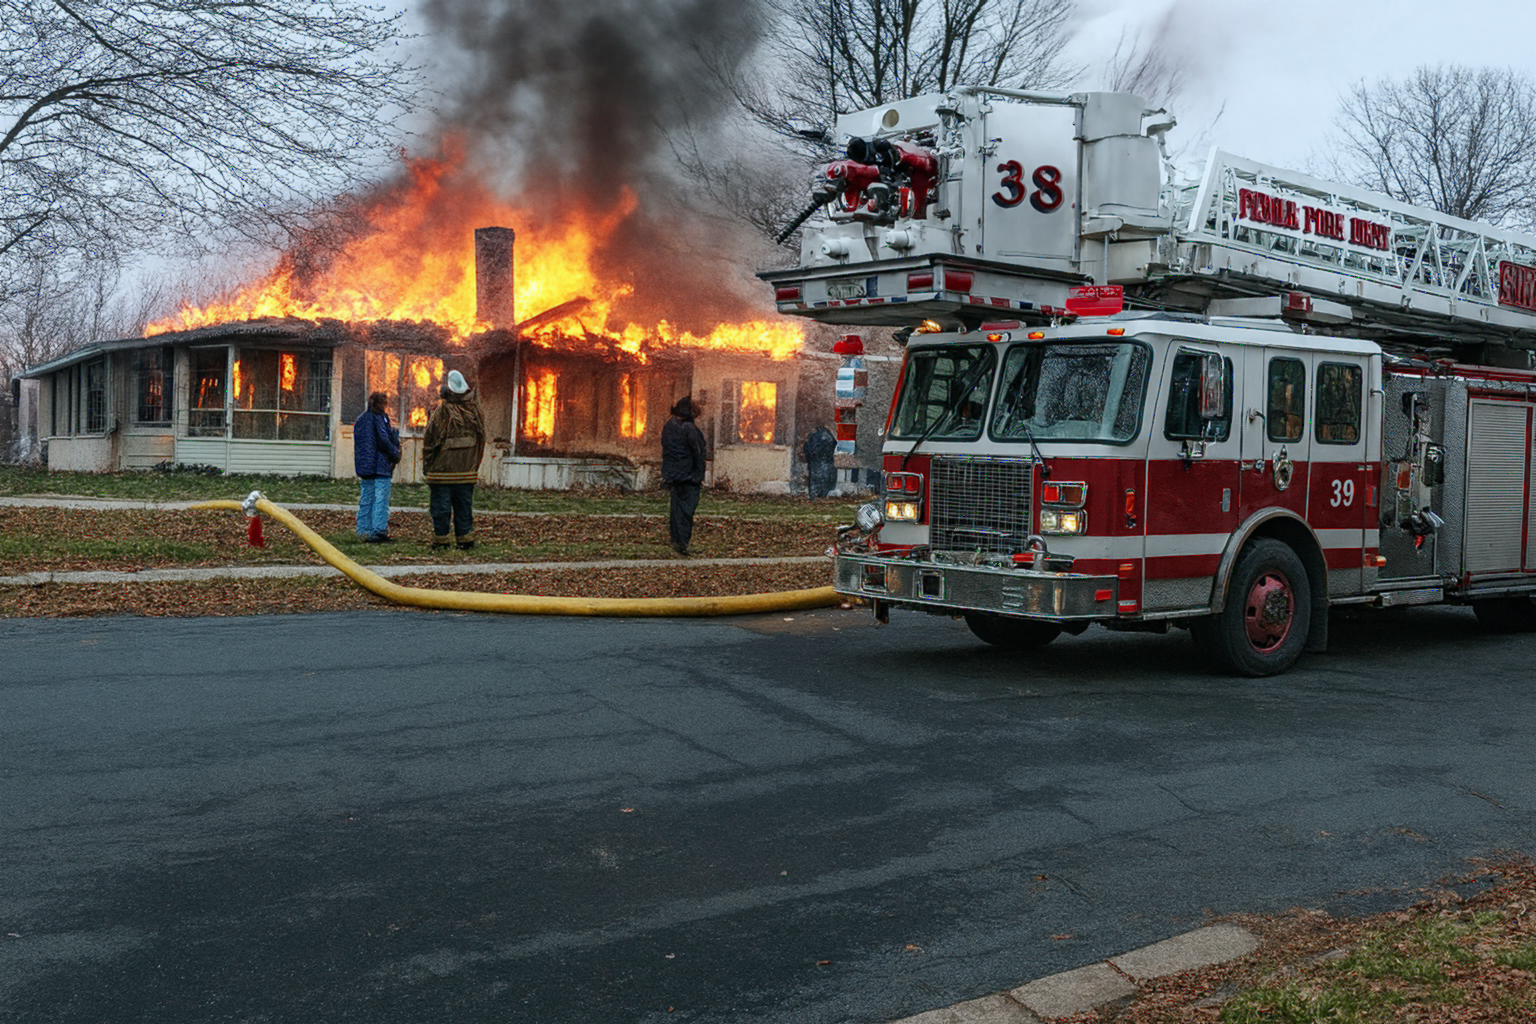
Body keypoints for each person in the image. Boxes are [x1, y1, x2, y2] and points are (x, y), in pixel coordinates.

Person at [423, 369, 487, 550]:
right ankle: (464, 539)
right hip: (465, 472)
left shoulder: (441, 412)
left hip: (442, 473)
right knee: (463, 507)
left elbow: (430, 440)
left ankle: (442, 541)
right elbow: (481, 440)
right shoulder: (475, 411)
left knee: (442, 509)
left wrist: (428, 466)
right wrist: (475, 464)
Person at [660, 395, 706, 555]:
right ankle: (682, 544)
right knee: (686, 511)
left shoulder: (669, 426)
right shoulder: (689, 429)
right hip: (689, 477)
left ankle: (677, 541)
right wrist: (699, 475)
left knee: (676, 510)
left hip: (673, 475)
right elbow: (698, 452)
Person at [353, 391, 401, 543]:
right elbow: (383, 440)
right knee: (381, 499)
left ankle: (363, 530)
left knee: (366, 498)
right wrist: (395, 453)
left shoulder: (360, 420)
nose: (385, 407)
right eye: (383, 403)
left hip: (365, 467)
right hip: (380, 467)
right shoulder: (380, 419)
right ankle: (378, 531)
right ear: (377, 403)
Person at [803, 424, 836, 499]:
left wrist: (809, 459)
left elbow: (807, 449)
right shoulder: (828, 436)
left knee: (815, 479)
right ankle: (822, 495)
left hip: (815, 462)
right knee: (824, 478)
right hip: (825, 462)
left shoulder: (813, 436)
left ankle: (814, 495)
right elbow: (833, 446)